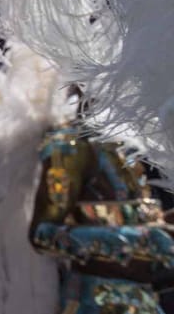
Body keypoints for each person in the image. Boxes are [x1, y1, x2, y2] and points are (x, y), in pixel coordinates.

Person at [29, 108, 174, 314]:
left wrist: (163, 225)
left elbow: (129, 222)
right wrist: (142, 239)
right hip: (94, 302)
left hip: (145, 301)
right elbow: (42, 233)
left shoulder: (129, 145)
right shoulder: (71, 143)